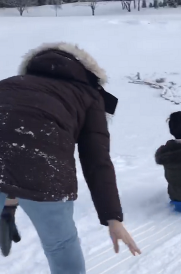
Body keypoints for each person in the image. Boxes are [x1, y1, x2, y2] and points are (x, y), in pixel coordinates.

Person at [0, 42, 141, 272]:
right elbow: (97, 161)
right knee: (60, 245)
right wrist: (113, 218)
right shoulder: (89, 95)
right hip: (45, 173)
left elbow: (9, 141)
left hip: (27, 166)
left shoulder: (9, 84)